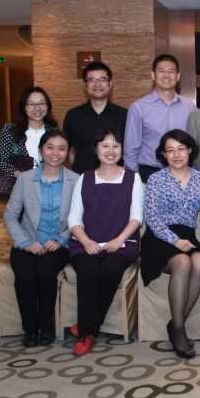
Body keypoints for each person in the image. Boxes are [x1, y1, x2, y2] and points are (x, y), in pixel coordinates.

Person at [67, 128, 144, 356]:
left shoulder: (133, 177)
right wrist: (86, 241)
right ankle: (87, 332)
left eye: (115, 146)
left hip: (122, 242)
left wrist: (119, 240)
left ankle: (86, 328)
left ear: (122, 150)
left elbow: (137, 217)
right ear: (96, 149)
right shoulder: (84, 178)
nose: (110, 151)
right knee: (88, 271)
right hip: (86, 242)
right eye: (105, 145)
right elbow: (74, 218)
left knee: (110, 269)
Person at [3, 130, 79, 347]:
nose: (55, 153)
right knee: (25, 277)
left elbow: (78, 217)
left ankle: (46, 327)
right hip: (27, 241)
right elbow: (10, 215)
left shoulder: (75, 180)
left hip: (58, 244)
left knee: (45, 273)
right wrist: (25, 243)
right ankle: (30, 329)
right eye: (50, 147)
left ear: (68, 153)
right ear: (41, 150)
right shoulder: (25, 179)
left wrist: (61, 240)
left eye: (61, 149)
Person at [142, 130, 200, 359]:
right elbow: (151, 217)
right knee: (182, 262)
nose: (176, 154)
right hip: (158, 237)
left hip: (188, 235)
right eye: (170, 150)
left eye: (181, 149)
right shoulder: (156, 179)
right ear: (164, 154)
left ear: (190, 150)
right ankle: (179, 331)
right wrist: (175, 241)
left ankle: (175, 323)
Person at [125, 54, 197, 182]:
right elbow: (131, 149)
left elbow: (195, 143)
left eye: (171, 71)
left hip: (184, 173)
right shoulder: (138, 107)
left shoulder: (190, 106)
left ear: (178, 76)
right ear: (153, 75)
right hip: (149, 173)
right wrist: (132, 181)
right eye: (161, 71)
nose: (166, 75)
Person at [63, 61, 128, 174]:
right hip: (82, 177)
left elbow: (130, 150)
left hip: (117, 178)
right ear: (85, 85)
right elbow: (68, 149)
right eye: (92, 80)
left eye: (102, 79)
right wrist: (81, 172)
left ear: (110, 84)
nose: (97, 84)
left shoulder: (125, 115)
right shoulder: (73, 115)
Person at [0, 86, 59, 180]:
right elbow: (1, 162)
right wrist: (23, 177)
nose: (37, 108)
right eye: (32, 104)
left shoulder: (54, 131)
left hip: (47, 183)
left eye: (42, 103)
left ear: (47, 106)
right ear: (24, 107)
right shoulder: (10, 131)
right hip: (17, 184)